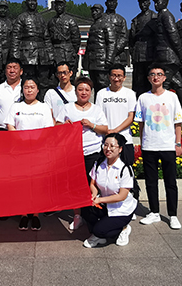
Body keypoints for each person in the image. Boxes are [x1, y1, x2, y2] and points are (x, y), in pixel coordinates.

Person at [135, 63, 182, 229]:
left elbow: (178, 122)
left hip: (168, 145)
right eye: (152, 74)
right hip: (149, 146)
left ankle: (173, 215)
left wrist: (178, 143)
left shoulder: (172, 97)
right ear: (148, 78)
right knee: (151, 182)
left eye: (159, 74)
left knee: (170, 182)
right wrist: (142, 142)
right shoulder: (143, 98)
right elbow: (141, 123)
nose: (156, 77)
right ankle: (154, 212)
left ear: (164, 78)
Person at [56, 76, 108, 231]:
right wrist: (64, 126)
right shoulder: (67, 108)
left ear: (91, 92)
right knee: (75, 185)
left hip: (92, 152)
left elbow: (105, 129)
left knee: (92, 184)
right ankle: (77, 215)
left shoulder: (96, 109)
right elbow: (57, 126)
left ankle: (92, 213)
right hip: (72, 152)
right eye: (80, 89)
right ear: (76, 92)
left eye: (87, 90)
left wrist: (92, 125)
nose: (83, 92)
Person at [4, 76, 55, 231]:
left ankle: (36, 214)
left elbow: (48, 130)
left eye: (32, 87)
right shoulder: (16, 106)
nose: (29, 90)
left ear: (37, 90)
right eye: (26, 87)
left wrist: (35, 143)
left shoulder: (44, 107)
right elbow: (10, 126)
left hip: (39, 152)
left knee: (38, 184)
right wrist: (22, 141)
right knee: (23, 184)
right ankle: (24, 214)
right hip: (20, 152)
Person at [82, 133, 137, 248]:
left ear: (120, 149)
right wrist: (94, 194)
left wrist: (99, 200)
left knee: (100, 230)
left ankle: (123, 228)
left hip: (121, 209)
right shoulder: (99, 164)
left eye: (112, 146)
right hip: (105, 205)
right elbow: (93, 183)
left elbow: (121, 196)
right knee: (86, 211)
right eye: (106, 145)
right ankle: (100, 232)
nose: (108, 148)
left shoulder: (125, 169)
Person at [95, 63, 139, 200]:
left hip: (125, 139)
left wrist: (115, 131)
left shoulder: (130, 94)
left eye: (119, 76)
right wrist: (107, 131)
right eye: (113, 75)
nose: (116, 78)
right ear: (109, 77)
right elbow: (98, 115)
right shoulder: (102, 93)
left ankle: (131, 200)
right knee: (105, 171)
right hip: (105, 140)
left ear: (124, 77)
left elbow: (131, 117)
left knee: (127, 171)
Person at [152, 0, 182, 120]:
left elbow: (173, 35)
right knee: (179, 85)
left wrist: (180, 53)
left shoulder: (166, 15)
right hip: (165, 57)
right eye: (155, 2)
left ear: (165, 3)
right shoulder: (161, 16)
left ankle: (161, 117)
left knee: (163, 86)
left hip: (167, 57)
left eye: (158, 2)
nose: (156, 4)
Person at [11, 0, 55, 91]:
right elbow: (16, 37)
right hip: (27, 54)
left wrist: (50, 55)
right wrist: (15, 55)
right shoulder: (21, 17)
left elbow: (46, 38)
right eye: (30, 1)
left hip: (42, 54)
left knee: (43, 80)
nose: (32, 3)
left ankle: (42, 98)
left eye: (34, 1)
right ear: (26, 3)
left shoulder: (41, 18)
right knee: (28, 79)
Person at [129, 0, 157, 95]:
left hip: (150, 52)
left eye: (145, 2)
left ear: (149, 3)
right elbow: (131, 39)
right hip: (138, 52)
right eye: (140, 2)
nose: (143, 4)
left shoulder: (154, 16)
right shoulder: (136, 19)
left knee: (151, 78)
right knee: (139, 80)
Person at [47, 0, 81, 76]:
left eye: (61, 5)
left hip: (67, 52)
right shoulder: (51, 22)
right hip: (54, 51)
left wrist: (72, 52)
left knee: (68, 75)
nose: (59, 7)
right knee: (54, 75)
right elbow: (47, 39)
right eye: (57, 5)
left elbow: (76, 39)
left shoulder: (71, 21)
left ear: (64, 7)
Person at [0, 58, 23, 130]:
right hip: (3, 130)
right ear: (5, 72)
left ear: (21, 71)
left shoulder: (26, 88)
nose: (12, 71)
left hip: (22, 130)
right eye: (9, 68)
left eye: (15, 68)